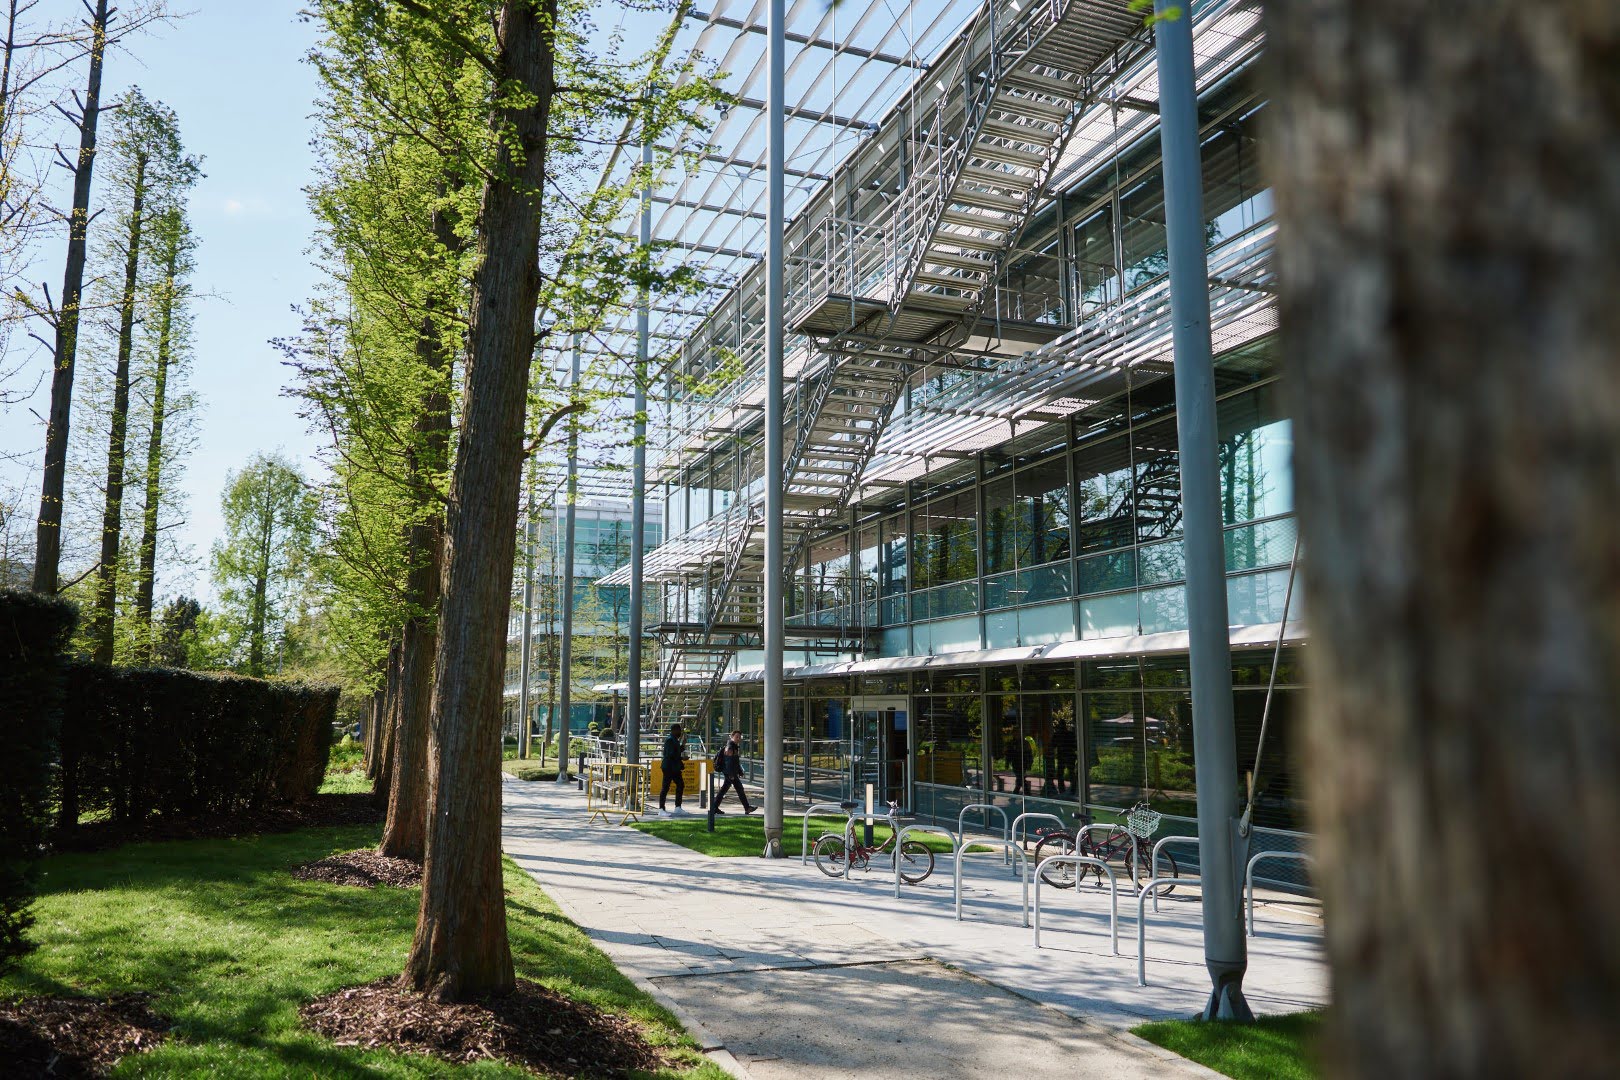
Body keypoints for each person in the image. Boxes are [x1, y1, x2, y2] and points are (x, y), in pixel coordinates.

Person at [712, 730, 755, 814]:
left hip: (731, 772)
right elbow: (729, 762)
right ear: (732, 737)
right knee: (738, 789)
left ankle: (714, 807)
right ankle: (747, 808)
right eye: (737, 737)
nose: (738, 738)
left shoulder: (734, 746)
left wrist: (739, 771)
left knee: (727, 789)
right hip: (730, 773)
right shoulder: (730, 747)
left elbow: (735, 761)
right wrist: (731, 774)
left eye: (739, 737)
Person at [658, 723, 688, 814]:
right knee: (665, 787)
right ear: (674, 730)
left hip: (674, 767)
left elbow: (676, 751)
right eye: (679, 730)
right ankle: (661, 809)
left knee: (680, 785)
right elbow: (670, 755)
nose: (680, 732)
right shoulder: (670, 740)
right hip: (669, 767)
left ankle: (678, 807)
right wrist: (682, 758)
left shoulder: (674, 740)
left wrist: (683, 745)